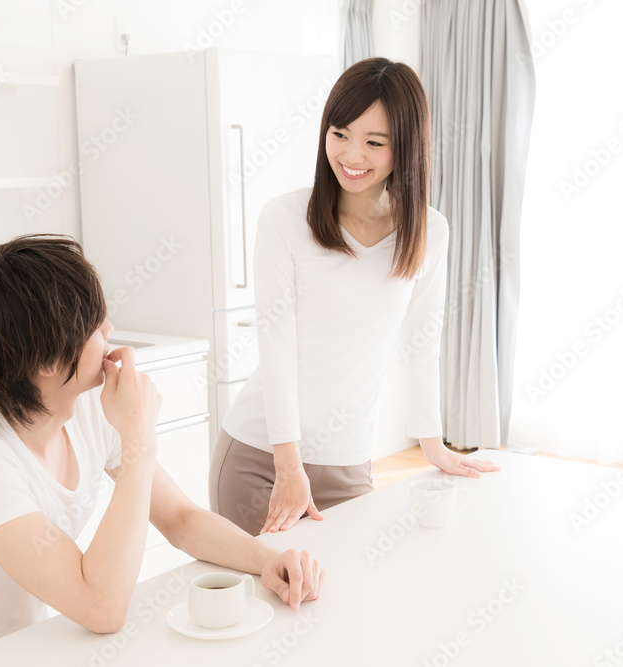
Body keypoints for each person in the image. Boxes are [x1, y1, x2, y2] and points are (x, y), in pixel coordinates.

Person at [0, 235, 324, 666]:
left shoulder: (85, 406)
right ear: (48, 362)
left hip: (27, 650)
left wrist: (267, 561)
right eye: (94, 324)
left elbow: (181, 520)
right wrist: (138, 442)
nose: (109, 330)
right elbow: (101, 607)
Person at [209, 57, 499, 537]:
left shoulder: (429, 231)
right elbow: (277, 348)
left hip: (348, 464)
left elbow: (422, 342)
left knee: (348, 604)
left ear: (405, 148)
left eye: (374, 142)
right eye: (339, 134)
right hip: (262, 458)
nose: (351, 155)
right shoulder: (284, 219)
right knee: (266, 606)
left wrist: (434, 445)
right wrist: (288, 466)